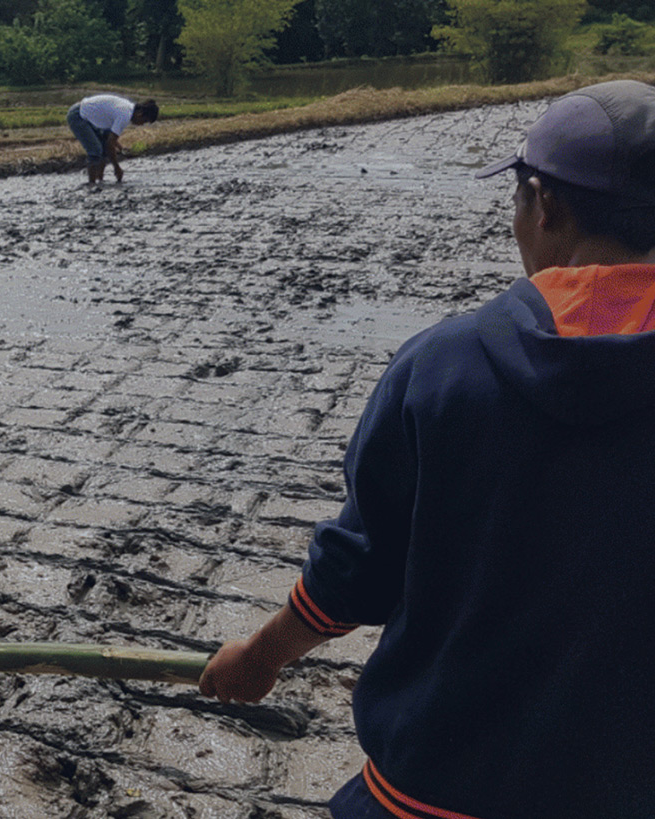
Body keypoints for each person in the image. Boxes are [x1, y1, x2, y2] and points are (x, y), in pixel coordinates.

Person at [197, 80, 655, 819]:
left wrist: (258, 657)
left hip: (430, 793)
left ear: (545, 204)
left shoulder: (444, 368)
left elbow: (357, 572)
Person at [67, 94, 157, 185]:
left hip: (87, 114)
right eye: (144, 121)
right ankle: (92, 185)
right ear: (140, 114)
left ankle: (100, 181)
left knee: (104, 150)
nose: (141, 125)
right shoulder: (125, 115)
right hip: (78, 116)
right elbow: (110, 144)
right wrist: (116, 167)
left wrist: (119, 147)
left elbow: (109, 137)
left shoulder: (128, 108)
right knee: (95, 151)